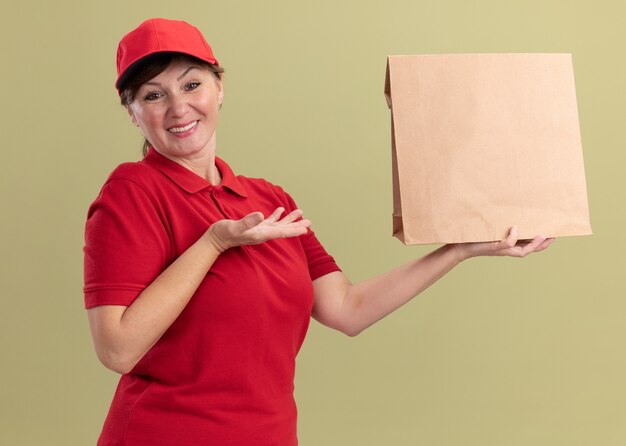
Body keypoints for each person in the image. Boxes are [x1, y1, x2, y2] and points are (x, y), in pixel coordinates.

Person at [83, 18, 554, 446]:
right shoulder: (132, 191)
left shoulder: (270, 201)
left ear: (219, 87)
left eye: (191, 84)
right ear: (132, 112)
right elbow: (118, 348)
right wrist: (214, 242)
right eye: (153, 94)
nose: (179, 107)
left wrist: (459, 249)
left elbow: (348, 309)